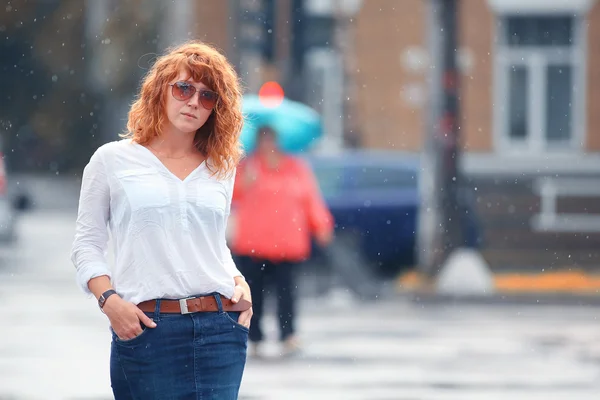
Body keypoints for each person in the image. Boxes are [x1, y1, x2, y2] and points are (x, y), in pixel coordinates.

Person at [71, 40, 252, 399]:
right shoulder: (112, 161)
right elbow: (86, 245)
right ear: (160, 90)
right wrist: (109, 302)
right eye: (184, 88)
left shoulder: (221, 167)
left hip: (221, 326)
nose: (194, 102)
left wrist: (238, 280)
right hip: (148, 329)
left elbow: (212, 243)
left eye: (207, 96)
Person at [230, 125, 334, 358]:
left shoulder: (296, 168)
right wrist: (245, 180)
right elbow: (231, 195)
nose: (268, 144)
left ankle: (288, 335)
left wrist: (321, 225)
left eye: (271, 139)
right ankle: (254, 337)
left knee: (287, 294)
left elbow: (310, 199)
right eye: (263, 139)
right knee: (253, 294)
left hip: (287, 243)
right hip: (253, 243)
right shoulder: (247, 167)